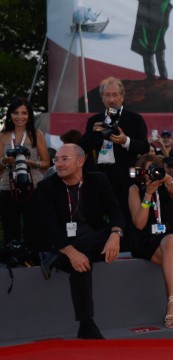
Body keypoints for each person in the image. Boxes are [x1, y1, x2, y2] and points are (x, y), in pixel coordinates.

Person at [38, 144, 125, 339]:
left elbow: (115, 210)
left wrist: (115, 234)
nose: (58, 164)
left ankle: (53, 258)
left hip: (93, 240)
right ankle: (87, 325)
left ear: (80, 161)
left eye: (64, 159)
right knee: (81, 263)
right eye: (56, 159)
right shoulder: (47, 186)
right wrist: (70, 251)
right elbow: (48, 225)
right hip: (62, 243)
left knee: (106, 234)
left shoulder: (98, 180)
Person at [80, 76, 150, 249]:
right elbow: (82, 148)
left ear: (122, 96)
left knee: (126, 214)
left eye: (115, 95)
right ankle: (100, 248)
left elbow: (144, 147)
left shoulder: (134, 119)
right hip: (99, 176)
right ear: (102, 98)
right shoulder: (94, 121)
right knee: (96, 214)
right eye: (107, 95)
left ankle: (130, 248)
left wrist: (125, 141)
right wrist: (96, 135)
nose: (111, 99)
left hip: (125, 177)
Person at [128, 154, 173, 328]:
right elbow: (140, 224)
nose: (152, 174)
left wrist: (168, 179)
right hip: (147, 240)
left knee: (172, 241)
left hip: (170, 234)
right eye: (149, 170)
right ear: (142, 172)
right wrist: (148, 195)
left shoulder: (166, 184)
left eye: (155, 169)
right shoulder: (135, 189)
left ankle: (172, 304)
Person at [0, 98, 50, 257]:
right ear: (10, 115)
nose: (19, 117)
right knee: (10, 227)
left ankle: (34, 259)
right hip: (9, 186)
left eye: (24, 113)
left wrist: (29, 162)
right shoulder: (3, 135)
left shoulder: (37, 135)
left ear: (29, 115)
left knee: (34, 226)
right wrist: (5, 161)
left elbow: (46, 163)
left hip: (33, 186)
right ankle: (12, 261)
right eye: (15, 113)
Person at [131, 0, 173, 80]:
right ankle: (150, 75)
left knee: (158, 46)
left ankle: (163, 75)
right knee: (146, 46)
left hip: (158, 17)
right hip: (145, 20)